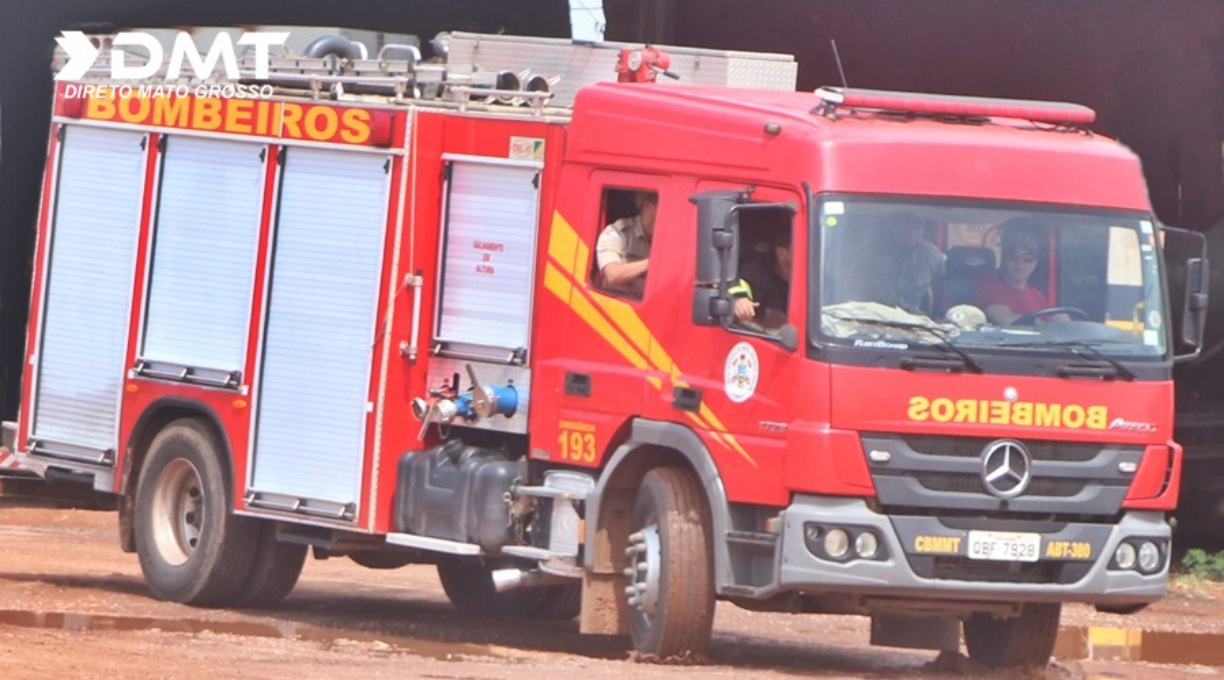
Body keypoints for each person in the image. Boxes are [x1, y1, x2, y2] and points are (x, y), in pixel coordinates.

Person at [976, 227, 1049, 324]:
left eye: (1027, 260)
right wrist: (1043, 325)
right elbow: (1004, 318)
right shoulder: (988, 286)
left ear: (1035, 263)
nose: (1019, 265)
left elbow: (1047, 325)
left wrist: (1059, 323)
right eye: (1013, 258)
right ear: (1004, 259)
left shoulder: (1038, 296)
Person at [595, 191, 657, 296]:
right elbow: (613, 275)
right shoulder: (617, 233)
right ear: (647, 207)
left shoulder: (669, 237)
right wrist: (655, 263)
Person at [730, 233, 791, 328]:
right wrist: (739, 301)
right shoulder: (755, 272)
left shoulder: (818, 280)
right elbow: (733, 287)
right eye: (802, 248)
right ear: (781, 253)